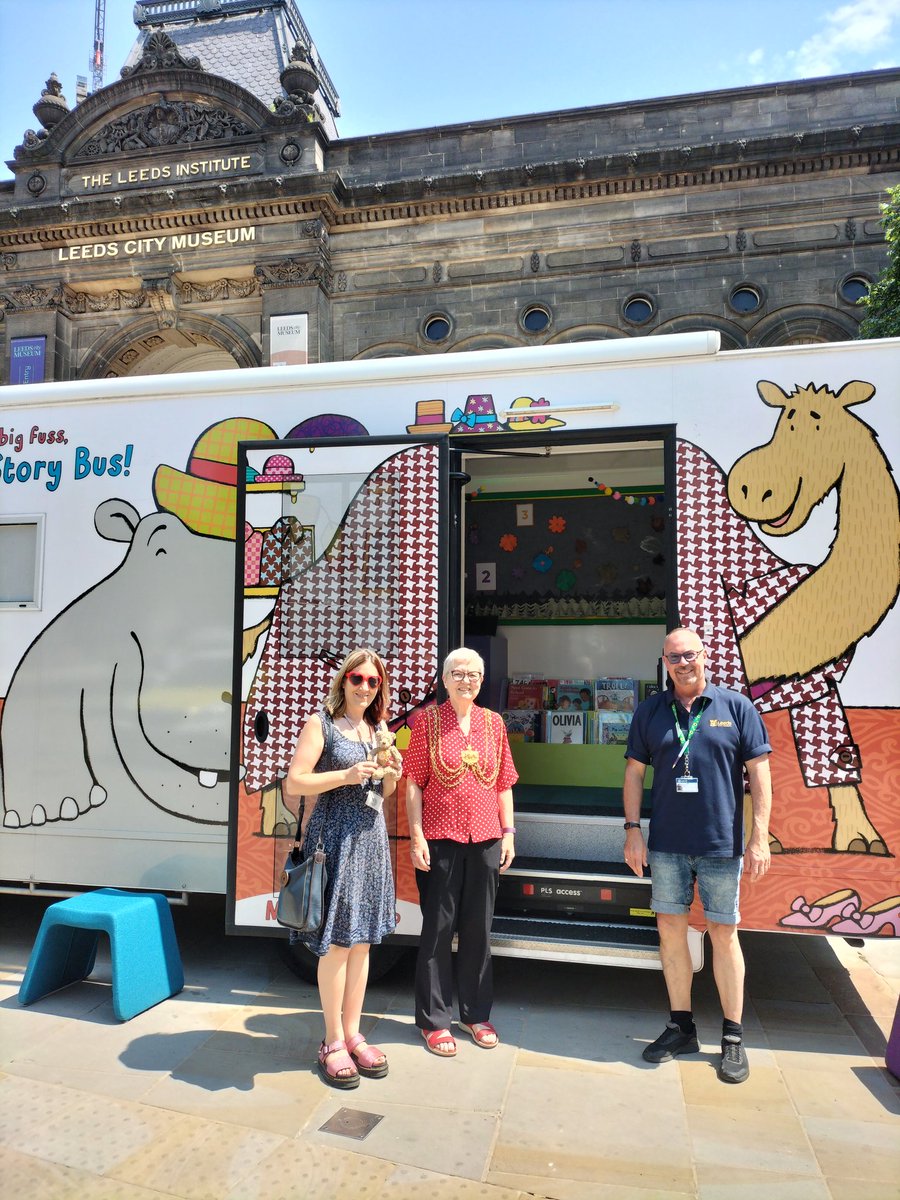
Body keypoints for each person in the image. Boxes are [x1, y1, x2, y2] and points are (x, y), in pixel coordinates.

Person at [623, 626, 772, 1084]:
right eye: (673, 658)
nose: (682, 663)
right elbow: (633, 775)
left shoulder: (736, 707)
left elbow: (760, 776)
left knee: (724, 935)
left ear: (705, 656)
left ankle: (732, 1037)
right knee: (671, 933)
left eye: (689, 655)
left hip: (720, 846)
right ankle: (681, 1026)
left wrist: (760, 835)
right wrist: (633, 831)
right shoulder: (650, 710)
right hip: (666, 845)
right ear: (664, 664)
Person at [284, 648, 398, 1089]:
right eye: (358, 679)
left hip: (369, 843)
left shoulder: (378, 728)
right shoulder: (322, 723)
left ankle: (353, 1033)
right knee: (335, 946)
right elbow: (295, 781)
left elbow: (384, 791)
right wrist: (347, 775)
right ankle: (331, 1041)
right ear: (343, 681)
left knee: (363, 943)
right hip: (333, 840)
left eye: (373, 681)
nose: (366, 687)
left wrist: (391, 773)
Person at [404, 648, 518, 1056]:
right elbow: (413, 782)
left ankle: (474, 1014)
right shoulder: (427, 722)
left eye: (472, 674)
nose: (465, 680)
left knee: (478, 930)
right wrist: (416, 836)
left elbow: (504, 781)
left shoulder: (494, 723)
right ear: (445, 679)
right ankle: (434, 1021)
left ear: (482, 680)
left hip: (486, 838)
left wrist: (508, 833)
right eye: (457, 673)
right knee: (437, 931)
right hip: (440, 841)